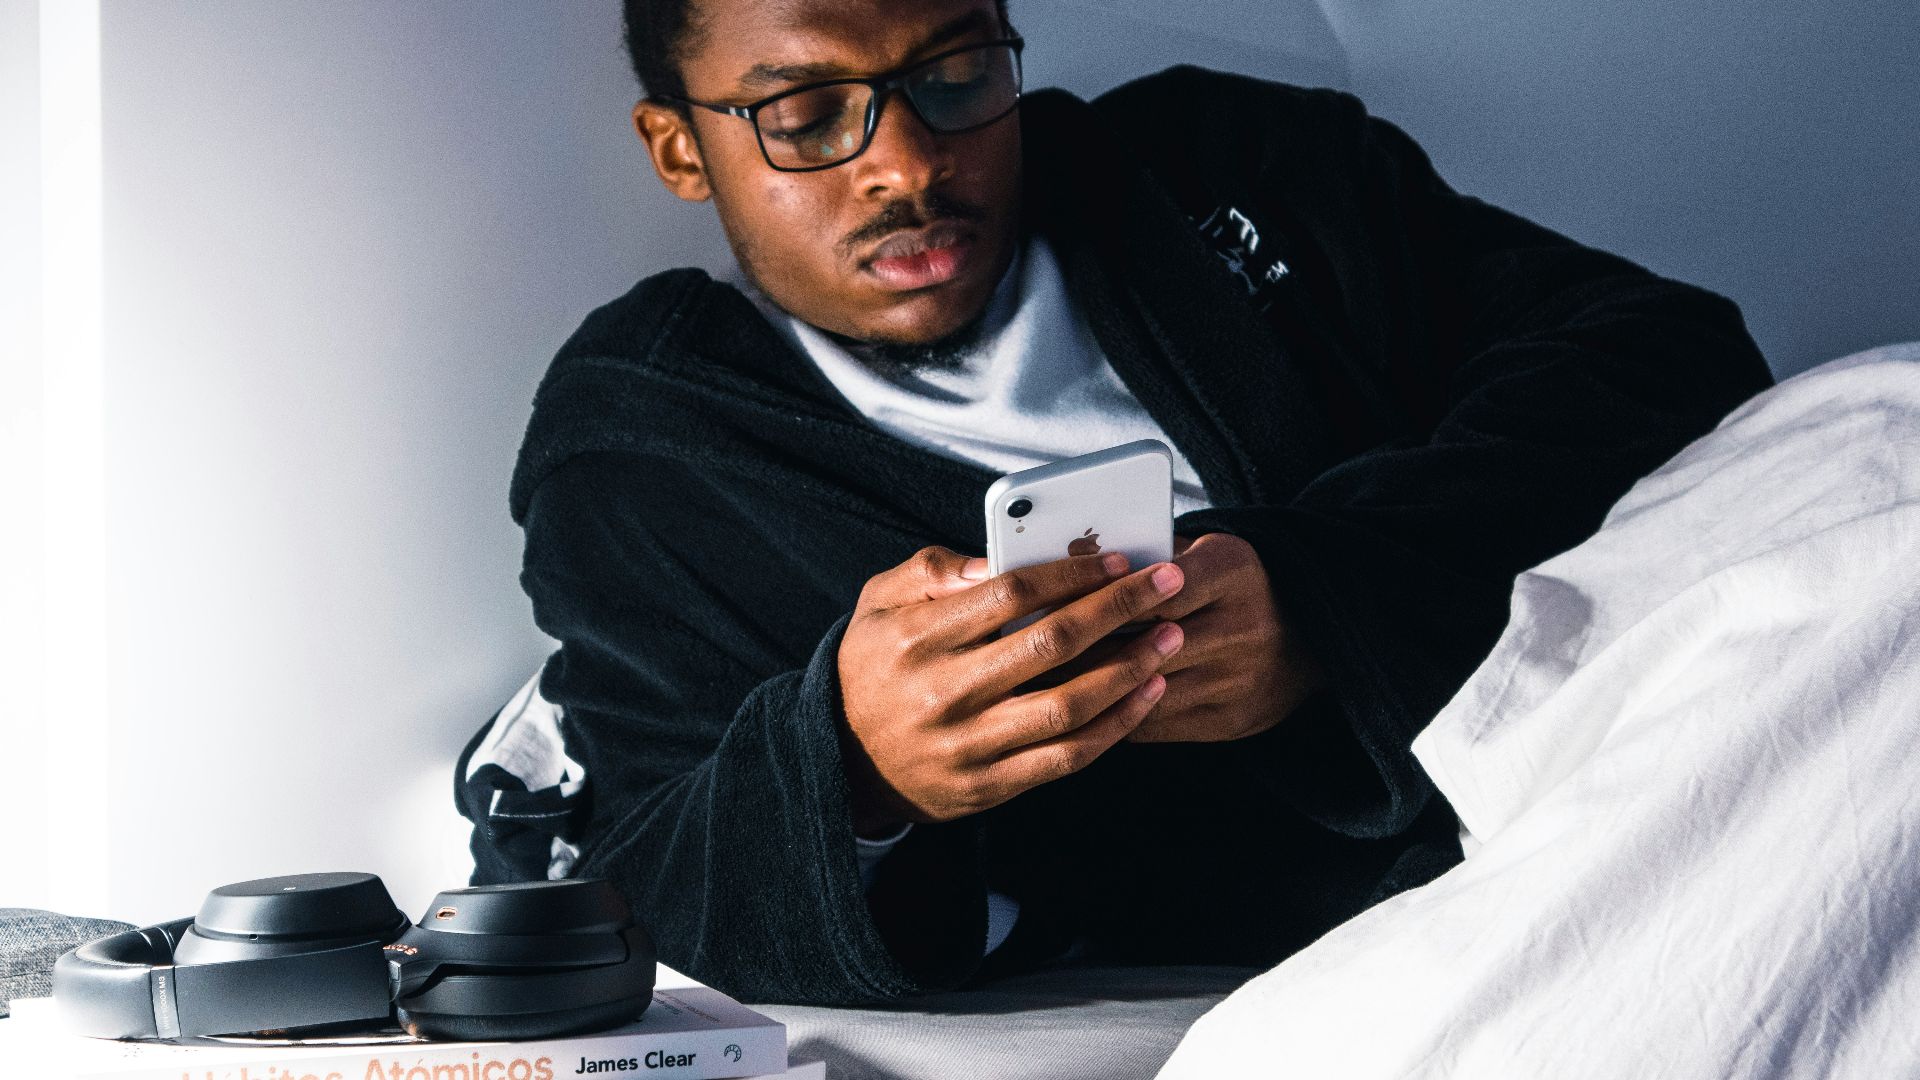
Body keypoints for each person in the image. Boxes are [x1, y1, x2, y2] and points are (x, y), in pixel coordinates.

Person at [457, 0, 1773, 1006]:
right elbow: (634, 870)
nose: (909, 165)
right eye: (805, 114)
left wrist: (1330, 596)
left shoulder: (1228, 166)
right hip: (1355, 934)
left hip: (1620, 735)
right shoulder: (645, 448)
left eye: (957, 74)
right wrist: (851, 768)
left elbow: (1659, 349)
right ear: (680, 148)